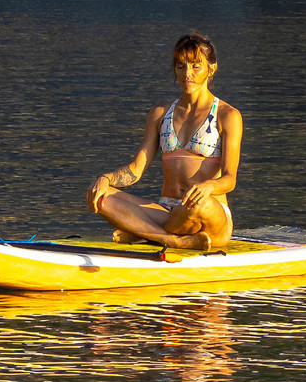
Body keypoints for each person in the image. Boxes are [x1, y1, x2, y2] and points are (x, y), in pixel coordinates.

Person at [86, 29, 243, 254]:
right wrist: (105, 179)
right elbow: (136, 169)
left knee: (197, 205)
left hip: (209, 213)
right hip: (167, 211)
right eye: (181, 66)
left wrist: (208, 186)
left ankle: (143, 232)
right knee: (100, 196)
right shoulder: (160, 114)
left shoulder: (228, 115)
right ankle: (175, 240)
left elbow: (230, 179)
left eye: (195, 66)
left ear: (211, 69)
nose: (187, 73)